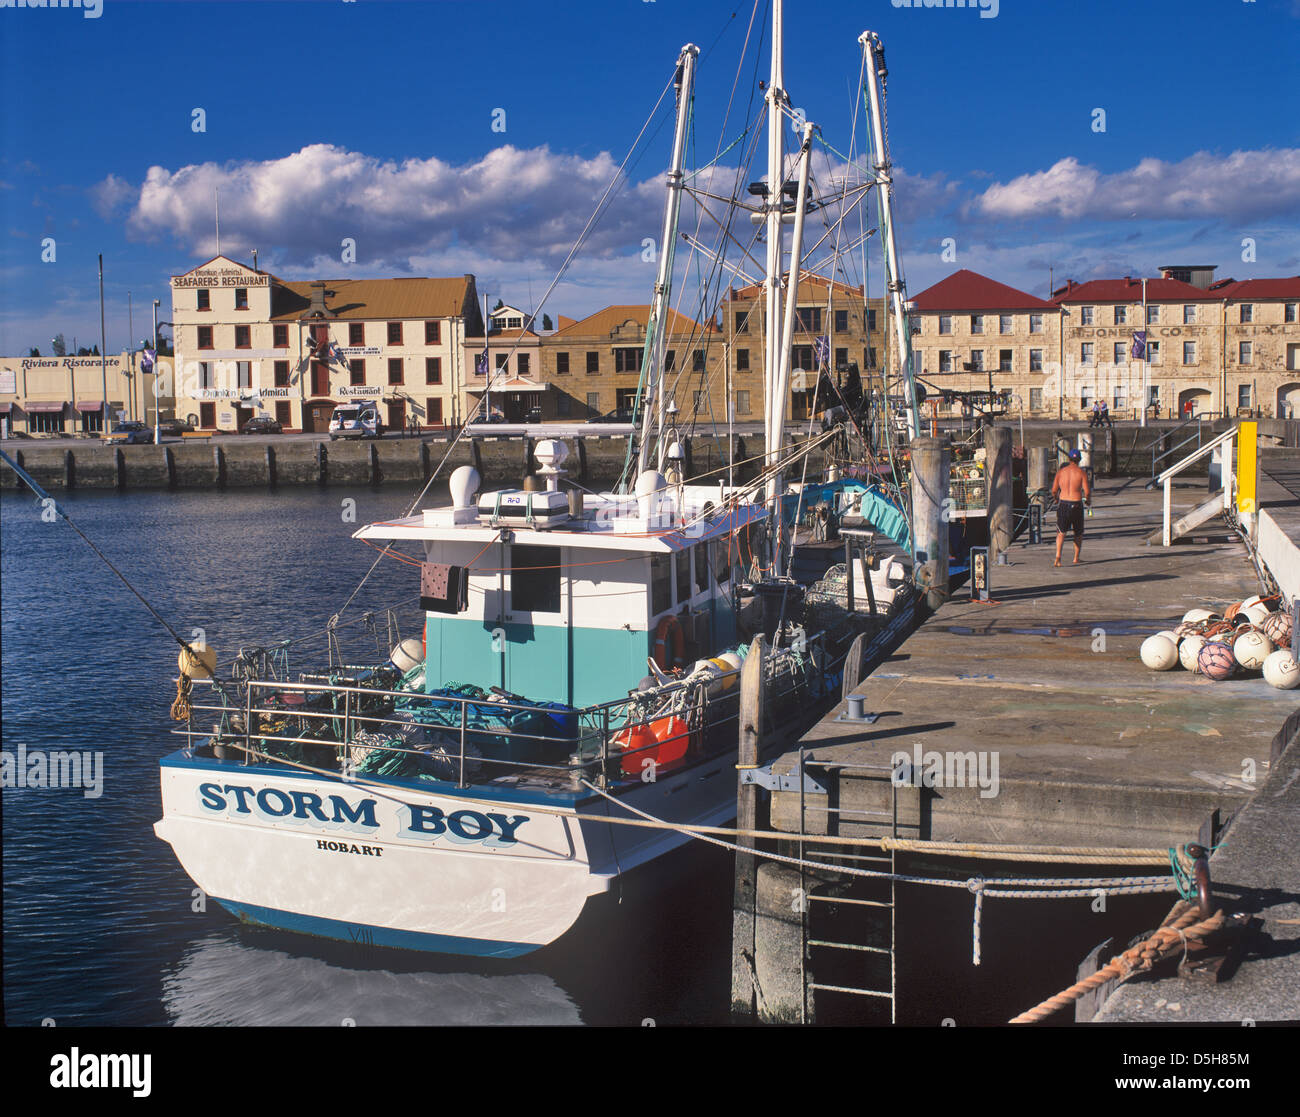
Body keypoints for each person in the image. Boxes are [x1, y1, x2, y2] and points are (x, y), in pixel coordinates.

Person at [1052, 449, 1092, 567]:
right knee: (1078, 533)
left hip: (1063, 503)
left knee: (1061, 532)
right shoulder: (1081, 473)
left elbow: (1054, 490)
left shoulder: (1061, 472)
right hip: (1076, 504)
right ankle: (1076, 558)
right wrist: (1088, 501)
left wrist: (1056, 499)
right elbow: (1087, 492)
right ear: (1079, 460)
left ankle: (1058, 557)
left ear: (1069, 459)